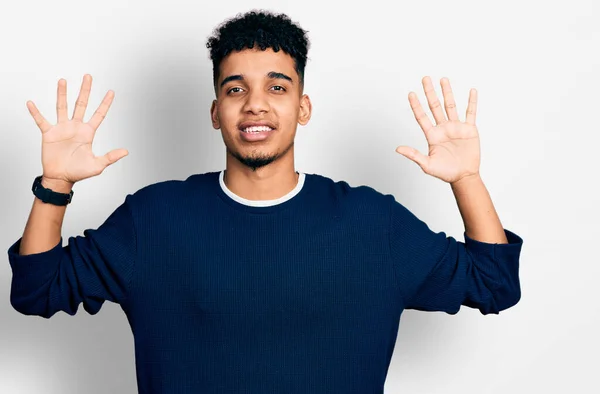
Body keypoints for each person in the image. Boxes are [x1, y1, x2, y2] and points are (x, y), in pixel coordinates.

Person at [7, 9, 524, 394]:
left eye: (277, 87)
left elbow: (494, 283)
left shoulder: (371, 223)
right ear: (216, 111)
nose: (255, 103)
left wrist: (468, 179)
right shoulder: (155, 219)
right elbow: (36, 289)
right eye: (236, 89)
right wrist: (56, 186)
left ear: (303, 107)